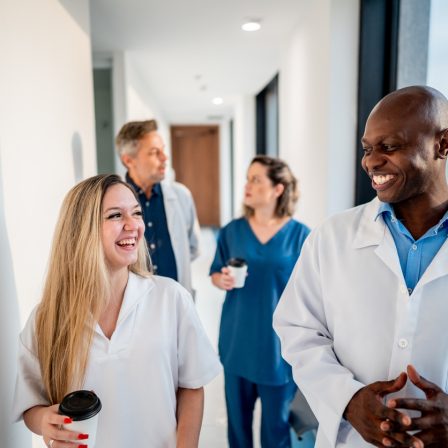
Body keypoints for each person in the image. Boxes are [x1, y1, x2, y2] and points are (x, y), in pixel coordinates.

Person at [273, 85, 448, 448]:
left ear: (442, 145)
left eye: (390, 147)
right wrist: (347, 400)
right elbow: (298, 332)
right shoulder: (332, 237)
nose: (371, 161)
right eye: (368, 149)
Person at [13, 174, 221, 448]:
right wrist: (43, 421)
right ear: (80, 230)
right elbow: (32, 403)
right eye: (115, 215)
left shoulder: (170, 298)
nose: (134, 225)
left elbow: (192, 386)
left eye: (136, 213)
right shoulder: (47, 319)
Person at [210, 155, 310, 448]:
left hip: (278, 351)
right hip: (237, 344)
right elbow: (215, 272)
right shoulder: (232, 231)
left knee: (276, 432)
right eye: (247, 178)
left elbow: (314, 292)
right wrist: (222, 279)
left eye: (256, 179)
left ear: (278, 189)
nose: (247, 185)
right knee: (237, 430)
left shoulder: (301, 236)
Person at [116, 119, 200, 294]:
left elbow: (193, 247)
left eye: (163, 150)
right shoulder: (112, 201)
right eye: (155, 152)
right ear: (129, 160)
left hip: (175, 300)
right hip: (132, 303)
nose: (164, 158)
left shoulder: (181, 196)